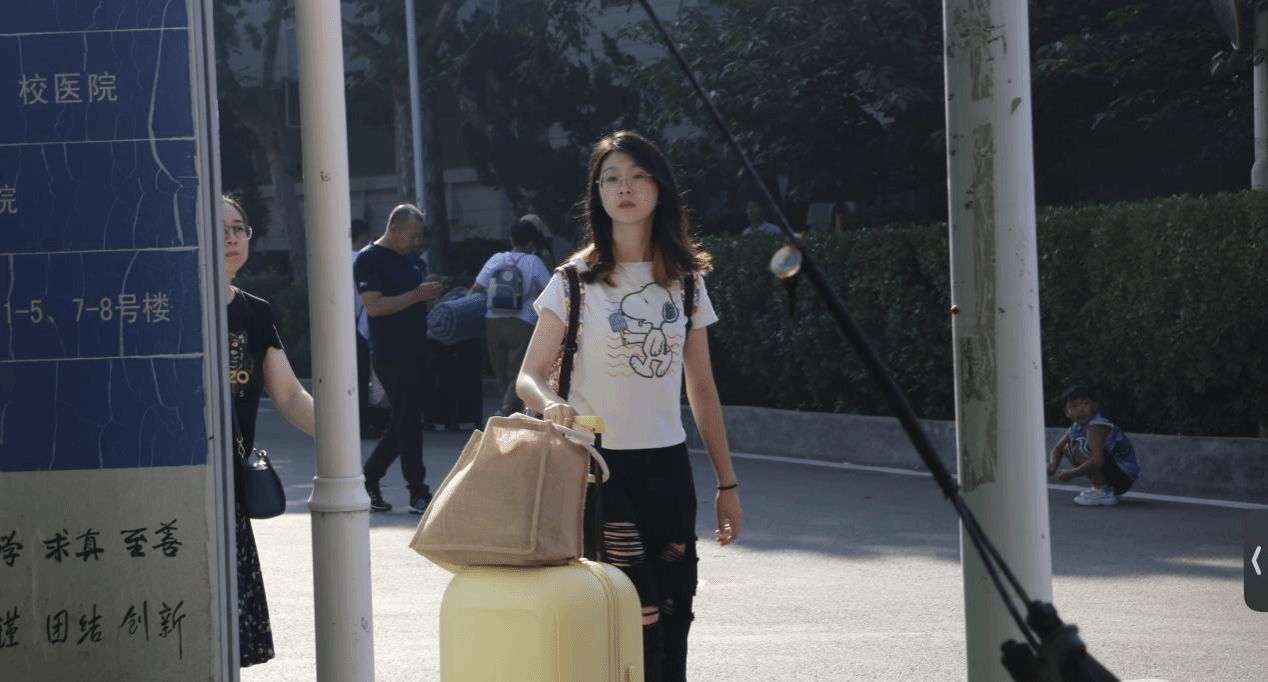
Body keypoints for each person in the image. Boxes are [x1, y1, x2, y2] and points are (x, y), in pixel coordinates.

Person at [516, 130, 744, 682]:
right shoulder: (572, 282)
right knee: (633, 616)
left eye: (638, 176)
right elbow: (528, 375)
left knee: (675, 610)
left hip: (668, 468)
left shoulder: (686, 284)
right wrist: (550, 403)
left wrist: (727, 484)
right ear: (597, 194)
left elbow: (702, 388)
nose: (625, 188)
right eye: (611, 178)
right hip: (599, 470)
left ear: (659, 189)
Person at [222, 194, 316, 667]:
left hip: (231, 489)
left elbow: (291, 396)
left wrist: (342, 436)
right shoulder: (175, 306)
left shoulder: (255, 312)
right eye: (219, 229)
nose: (231, 238)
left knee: (227, 634)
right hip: (182, 480)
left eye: (238, 228)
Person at [354, 203, 447, 513]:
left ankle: (368, 477)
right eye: (412, 235)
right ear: (393, 228)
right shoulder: (369, 259)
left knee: (407, 420)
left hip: (418, 346)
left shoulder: (411, 260)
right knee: (407, 420)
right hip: (390, 351)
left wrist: (429, 291)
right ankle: (417, 491)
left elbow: (414, 298)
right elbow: (374, 306)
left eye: (420, 236)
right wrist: (417, 295)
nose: (416, 242)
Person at [468, 218, 551, 417]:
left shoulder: (496, 259)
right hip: (522, 322)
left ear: (511, 239)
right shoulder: (534, 261)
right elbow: (550, 291)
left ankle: (505, 411)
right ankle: (507, 409)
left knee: (501, 372)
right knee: (520, 369)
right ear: (531, 243)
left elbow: (475, 289)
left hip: (493, 322)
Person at [1048, 384, 1140, 506]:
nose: (1080, 410)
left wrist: (1070, 474)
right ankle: (1103, 489)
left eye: (1085, 404)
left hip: (1123, 477)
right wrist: (1052, 465)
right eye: (1073, 406)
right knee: (1067, 448)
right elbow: (1058, 448)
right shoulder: (1076, 427)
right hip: (1115, 473)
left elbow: (1097, 461)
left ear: (1095, 406)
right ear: (1066, 412)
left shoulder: (1096, 426)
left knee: (1077, 447)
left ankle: (1101, 490)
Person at [350, 218, 380, 440]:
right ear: (362, 239)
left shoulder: (334, 260)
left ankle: (349, 423)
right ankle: (362, 423)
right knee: (360, 376)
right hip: (360, 325)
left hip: (339, 326)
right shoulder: (363, 260)